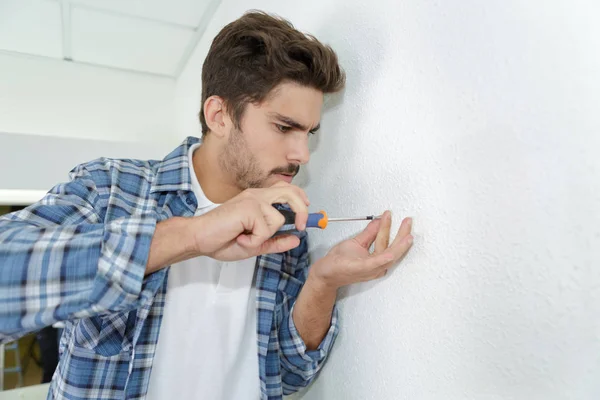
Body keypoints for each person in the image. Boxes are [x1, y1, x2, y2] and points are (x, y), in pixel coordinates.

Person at [0, 10, 413, 400]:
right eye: (284, 127)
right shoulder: (109, 189)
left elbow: (288, 374)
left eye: (309, 133)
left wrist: (323, 284)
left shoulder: (287, 225)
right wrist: (193, 234)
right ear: (218, 115)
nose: (302, 153)